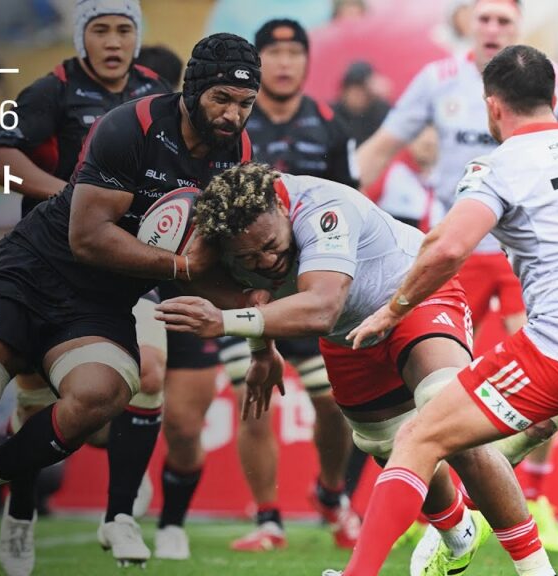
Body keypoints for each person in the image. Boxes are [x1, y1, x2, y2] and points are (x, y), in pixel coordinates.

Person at [0, 31, 259, 575]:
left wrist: (262, 334)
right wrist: (181, 268)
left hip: (100, 301)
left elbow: (226, 258)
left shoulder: (238, 155)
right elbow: (88, 238)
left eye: (245, 104)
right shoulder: (129, 125)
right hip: (29, 274)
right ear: (194, 89)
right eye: (222, 98)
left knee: (103, 393)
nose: (232, 115)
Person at [326, 44, 558, 576]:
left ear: (492, 106)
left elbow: (449, 248)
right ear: (555, 98)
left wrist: (393, 309)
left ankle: (360, 573)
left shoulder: (497, 166)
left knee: (418, 437)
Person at [156, 163, 558, 576]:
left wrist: (223, 322)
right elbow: (246, 293)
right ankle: (457, 530)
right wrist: (261, 351)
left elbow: (321, 309)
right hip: (350, 334)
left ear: (281, 207)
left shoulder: (321, 207)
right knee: (387, 443)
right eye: (249, 257)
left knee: (447, 415)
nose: (267, 260)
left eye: (271, 245)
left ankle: (536, 570)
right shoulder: (224, 235)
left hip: (411, 297)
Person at [354, 0, 558, 550]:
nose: (494, 28)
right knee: (429, 374)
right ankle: (436, 501)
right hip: (455, 248)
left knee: (551, 363)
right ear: (467, 23)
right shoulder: (437, 79)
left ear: (519, 26)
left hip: (524, 252)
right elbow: (384, 144)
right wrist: (336, 207)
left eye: (504, 20)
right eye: (485, 18)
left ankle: (533, 497)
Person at [0, 2, 173, 574]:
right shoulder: (52, 90)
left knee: (150, 372)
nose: (113, 41)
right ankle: (21, 512)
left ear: (137, 36)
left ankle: (120, 513)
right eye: (100, 29)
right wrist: (71, 196)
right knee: (38, 399)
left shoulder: (156, 92)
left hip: (128, 263)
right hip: (52, 265)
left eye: (124, 30)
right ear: (81, 36)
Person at [220, 18, 358, 553]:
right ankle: (268, 519)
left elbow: (350, 204)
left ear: (305, 61)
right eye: (273, 54)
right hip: (245, 289)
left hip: (310, 290)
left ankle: (331, 493)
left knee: (334, 404)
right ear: (257, 65)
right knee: (252, 399)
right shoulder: (232, 124)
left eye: (294, 53)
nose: (284, 63)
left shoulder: (331, 123)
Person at [331, 61, 390, 151]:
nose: (360, 95)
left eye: (364, 90)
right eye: (355, 90)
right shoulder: (331, 114)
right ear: (344, 91)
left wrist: (385, 97)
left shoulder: (381, 112)